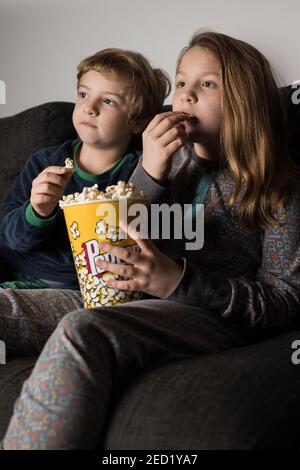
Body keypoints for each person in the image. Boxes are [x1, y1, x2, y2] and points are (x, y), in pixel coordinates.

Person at [3, 31, 300, 449]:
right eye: (181, 83)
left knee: (82, 330)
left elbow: (285, 299)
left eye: (206, 84)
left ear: (244, 99)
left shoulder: (277, 187)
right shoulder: (161, 159)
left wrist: (175, 281)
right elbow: (118, 233)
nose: (186, 95)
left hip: (204, 314)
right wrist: (151, 172)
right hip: (122, 295)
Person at [0, 48, 172, 356]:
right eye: (83, 94)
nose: (88, 108)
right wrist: (37, 211)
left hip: (69, 288)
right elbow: (8, 236)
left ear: (137, 121)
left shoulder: (137, 173)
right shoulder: (45, 162)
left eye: (107, 101)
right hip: (14, 266)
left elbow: (134, 242)